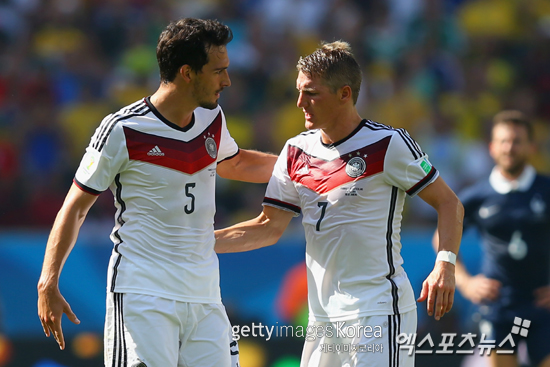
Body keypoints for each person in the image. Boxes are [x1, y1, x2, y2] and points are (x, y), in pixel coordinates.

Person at [37, 18, 277, 367]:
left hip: (204, 296)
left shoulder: (212, 119)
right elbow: (75, 208)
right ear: (187, 73)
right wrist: (48, 282)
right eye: (218, 71)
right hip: (143, 294)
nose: (227, 81)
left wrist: (302, 164)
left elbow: (235, 163)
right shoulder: (122, 129)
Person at [215, 41, 464, 367]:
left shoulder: (388, 145)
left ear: (345, 94)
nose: (300, 102)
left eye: (312, 93)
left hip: (377, 310)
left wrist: (444, 264)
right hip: (322, 320)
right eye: (299, 91)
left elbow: (449, 203)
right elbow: (267, 227)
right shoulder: (295, 151)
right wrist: (199, 242)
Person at [449, 110, 550, 367]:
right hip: (498, 305)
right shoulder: (477, 196)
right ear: (492, 147)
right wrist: (465, 282)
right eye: (503, 141)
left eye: (517, 141)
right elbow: (443, 235)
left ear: (531, 147)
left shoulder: (546, 189)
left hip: (543, 303)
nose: (510, 148)